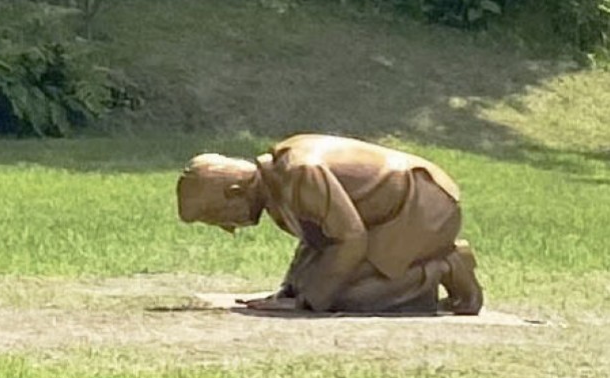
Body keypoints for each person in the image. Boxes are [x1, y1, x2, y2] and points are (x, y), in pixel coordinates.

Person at [176, 134, 483, 314]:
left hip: (423, 204)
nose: (227, 228)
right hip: (384, 215)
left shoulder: (299, 174)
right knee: (326, 286)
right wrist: (291, 291)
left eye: (216, 217)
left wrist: (310, 301)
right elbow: (319, 241)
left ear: (234, 192)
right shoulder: (277, 185)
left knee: (347, 298)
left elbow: (350, 239)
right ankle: (429, 269)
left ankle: (448, 265)